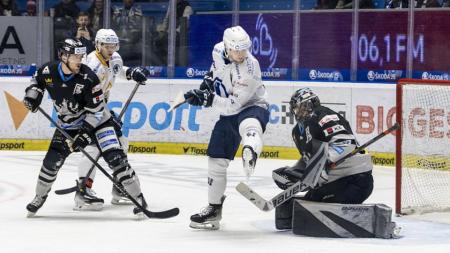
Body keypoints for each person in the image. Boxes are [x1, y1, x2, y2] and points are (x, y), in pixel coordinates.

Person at [23, 38, 148, 217]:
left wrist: (84, 135)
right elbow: (36, 80)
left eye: (81, 56)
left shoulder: (89, 77)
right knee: (50, 163)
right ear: (63, 56)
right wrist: (33, 94)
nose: (80, 60)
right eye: (76, 57)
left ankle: (139, 198)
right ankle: (39, 196)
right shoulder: (47, 70)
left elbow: (97, 113)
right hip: (67, 124)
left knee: (116, 158)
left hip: (99, 124)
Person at [184, 26, 270, 230]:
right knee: (215, 159)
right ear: (227, 47)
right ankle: (214, 209)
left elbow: (234, 105)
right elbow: (215, 70)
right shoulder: (217, 50)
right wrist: (207, 83)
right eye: (237, 50)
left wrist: (208, 99)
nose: (241, 54)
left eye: (244, 49)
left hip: (252, 106)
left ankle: (250, 149)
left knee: (250, 126)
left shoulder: (251, 68)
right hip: (227, 113)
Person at [271, 88, 374, 229]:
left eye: (297, 106)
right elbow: (309, 160)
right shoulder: (297, 132)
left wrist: (325, 162)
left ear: (306, 105)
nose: (296, 111)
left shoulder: (324, 115)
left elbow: (345, 143)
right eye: (295, 108)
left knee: (314, 207)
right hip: (334, 181)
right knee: (309, 201)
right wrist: (295, 173)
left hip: (355, 180)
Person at [70, 28, 149, 211]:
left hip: (101, 108)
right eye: (107, 45)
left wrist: (131, 73)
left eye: (113, 45)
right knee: (92, 149)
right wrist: (99, 116)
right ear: (98, 45)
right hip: (87, 111)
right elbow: (83, 95)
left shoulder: (115, 58)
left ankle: (119, 186)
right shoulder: (91, 65)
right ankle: (83, 190)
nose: (111, 49)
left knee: (121, 142)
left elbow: (117, 71)